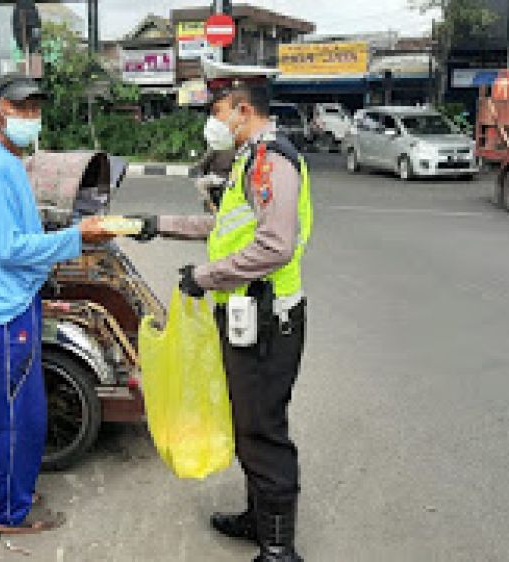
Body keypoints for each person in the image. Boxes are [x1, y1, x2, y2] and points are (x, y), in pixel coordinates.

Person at [132, 62, 312, 562]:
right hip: (249, 313)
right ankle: (260, 519)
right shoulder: (250, 159)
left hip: (267, 318)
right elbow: (222, 229)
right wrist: (156, 224)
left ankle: (279, 550)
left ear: (242, 109)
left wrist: (204, 278)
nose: (212, 121)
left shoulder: (269, 162)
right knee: (247, 420)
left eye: (216, 110)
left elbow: (275, 247)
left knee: (263, 429)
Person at [0, 74, 114, 534]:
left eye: (34, 110)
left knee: (4, 402)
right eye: (20, 108)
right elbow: (9, 248)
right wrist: (76, 238)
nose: (30, 118)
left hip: (12, 299)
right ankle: (9, 511)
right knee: (20, 414)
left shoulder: (6, 160)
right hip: (7, 306)